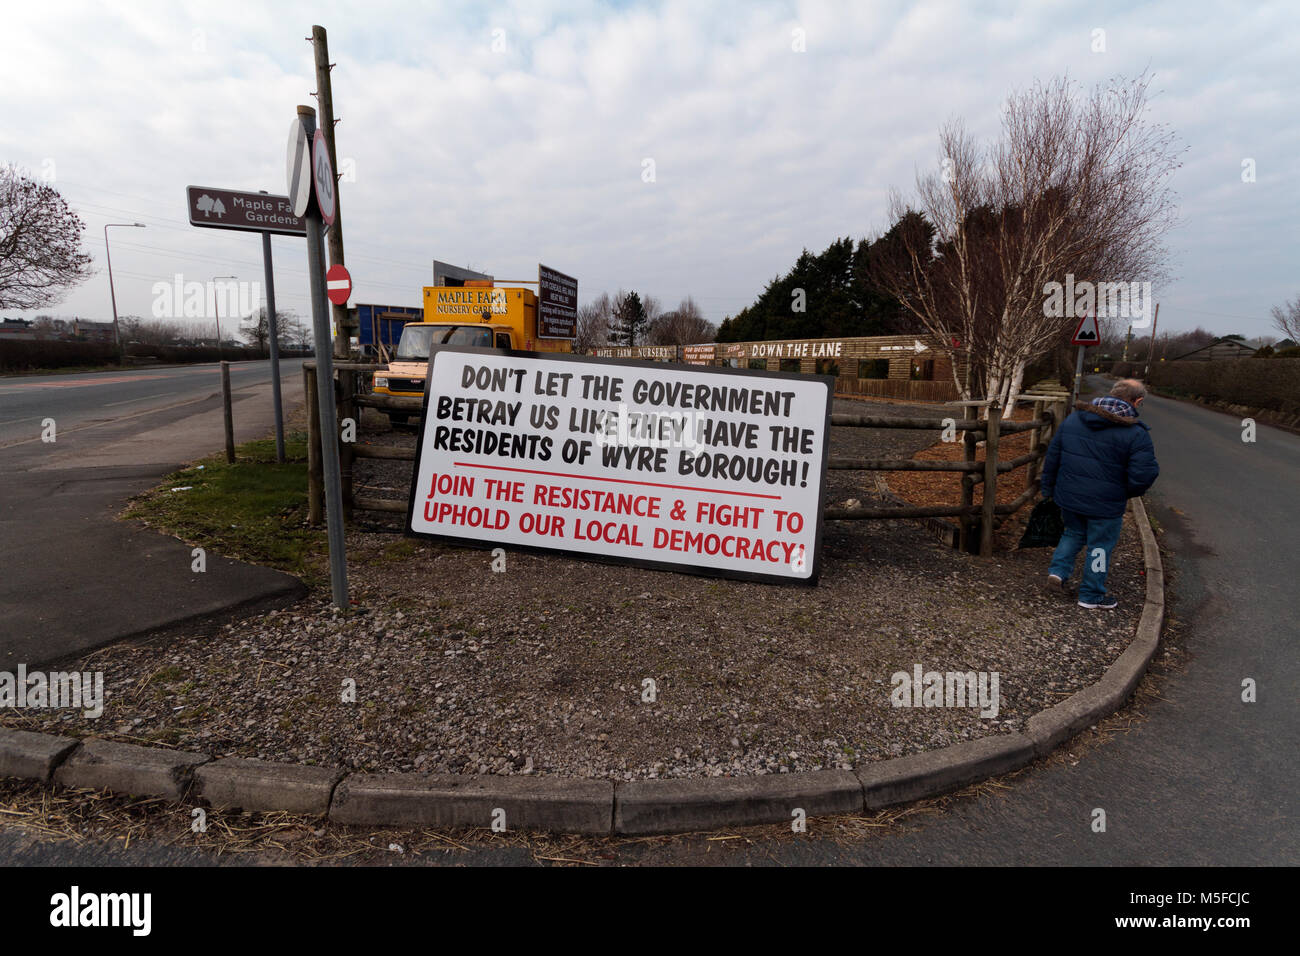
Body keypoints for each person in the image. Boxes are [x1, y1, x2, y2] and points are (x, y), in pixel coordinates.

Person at [1039, 378, 1159, 609]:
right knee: (1100, 547)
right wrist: (1125, 492)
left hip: (1069, 495)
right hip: (1106, 503)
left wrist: (1049, 488)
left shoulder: (1074, 419)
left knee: (1072, 533)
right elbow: (1143, 474)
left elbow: (1053, 457)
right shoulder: (1135, 433)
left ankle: (1057, 572)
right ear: (1138, 401)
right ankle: (1091, 594)